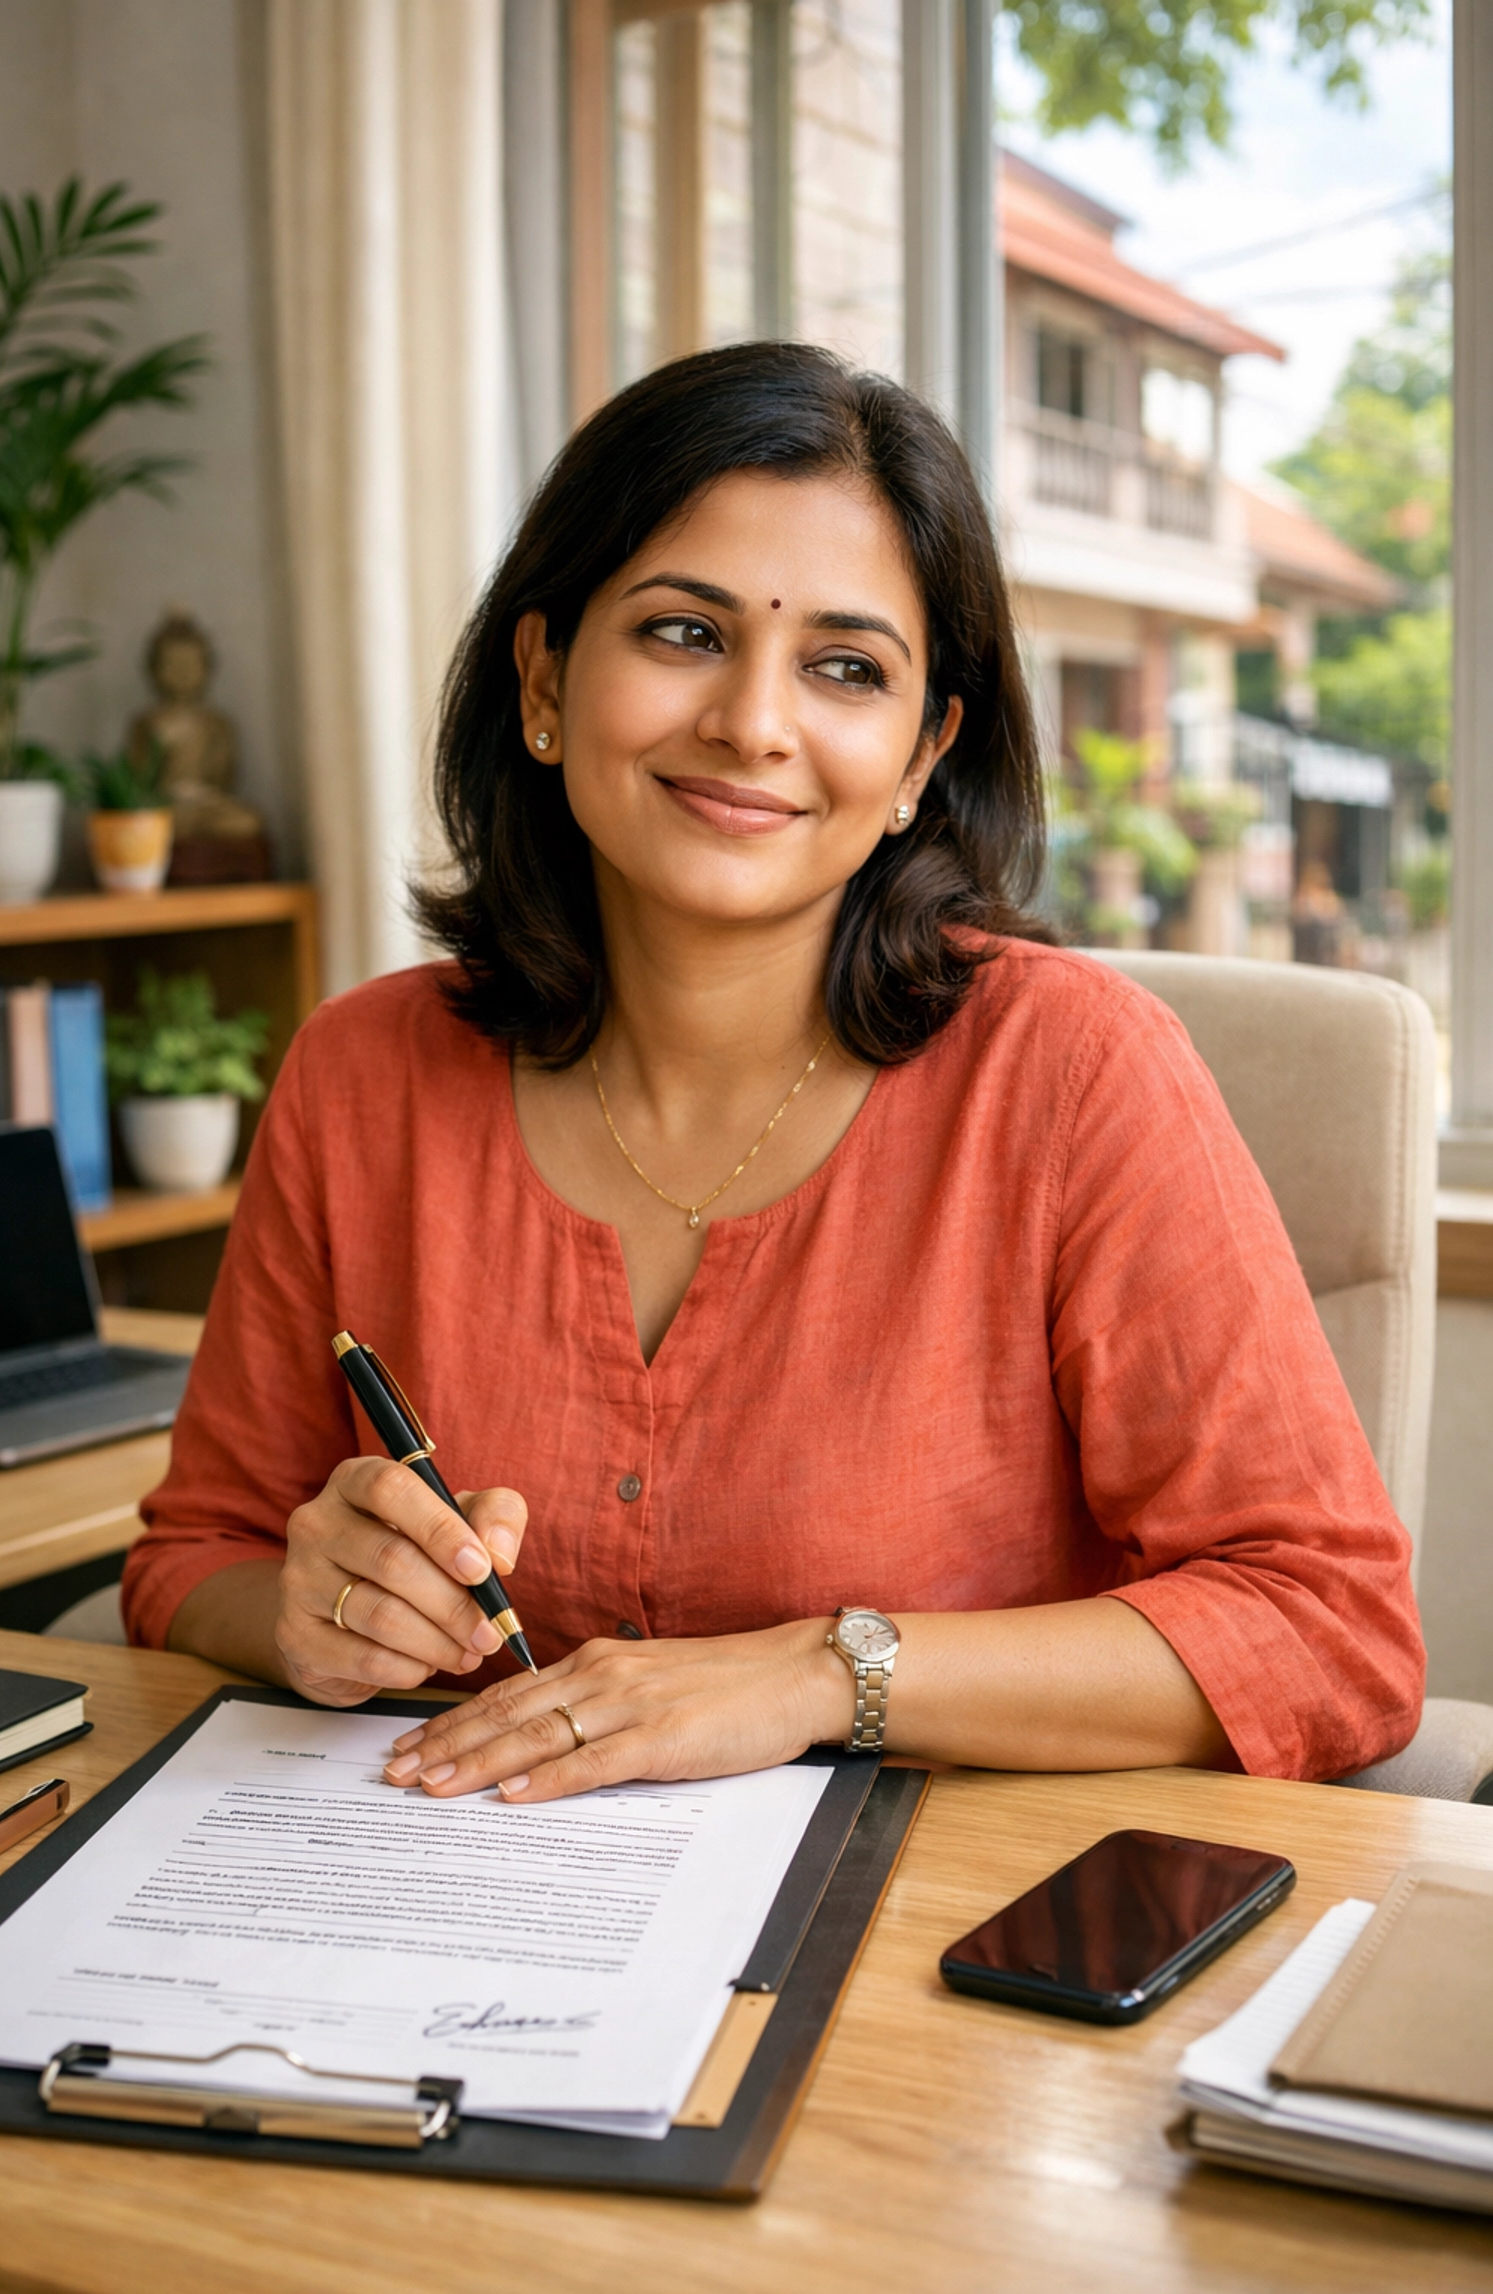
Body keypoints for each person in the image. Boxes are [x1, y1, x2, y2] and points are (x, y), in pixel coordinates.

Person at [125, 342, 1423, 1803]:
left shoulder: (1074, 1077)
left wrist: (819, 1675)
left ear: (923, 755)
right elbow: (196, 1557)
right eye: (683, 633)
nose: (753, 721)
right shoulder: (361, 1072)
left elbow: (1332, 1635)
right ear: (545, 678)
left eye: (846, 669)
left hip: (934, 1967)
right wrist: (310, 1615)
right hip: (456, 1937)